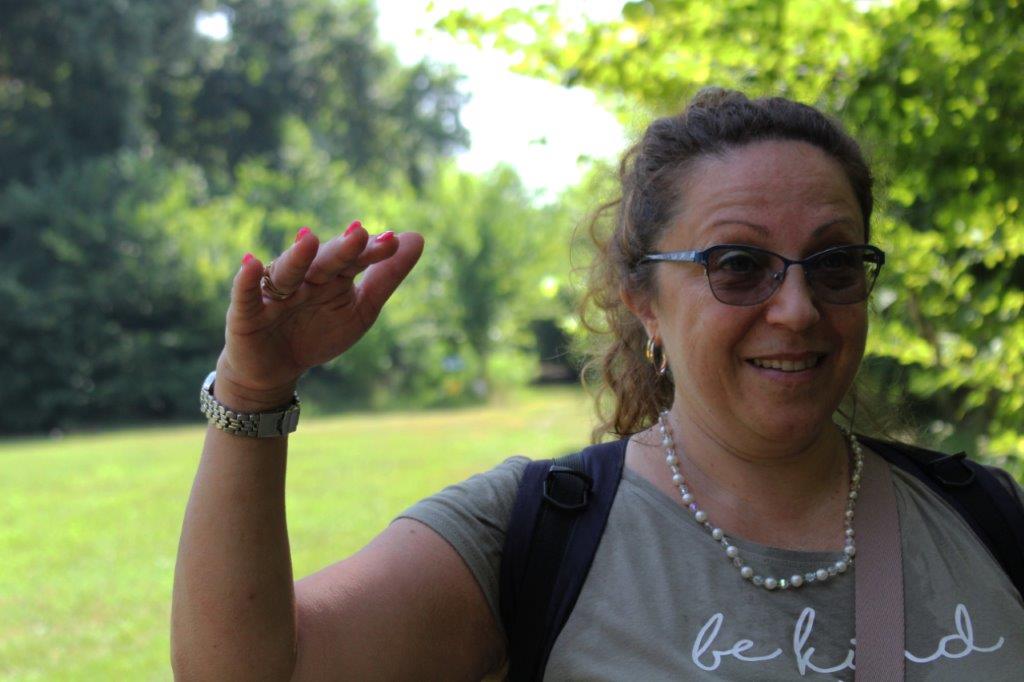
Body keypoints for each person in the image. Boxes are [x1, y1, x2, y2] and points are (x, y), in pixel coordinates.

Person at [171, 89, 1024, 680]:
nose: (798, 309)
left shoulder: (989, 518)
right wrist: (253, 389)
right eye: (738, 265)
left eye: (834, 263)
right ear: (644, 301)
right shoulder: (533, 535)